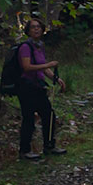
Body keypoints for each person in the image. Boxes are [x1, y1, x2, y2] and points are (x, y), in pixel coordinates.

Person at [14, 16, 64, 160]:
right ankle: (25, 151)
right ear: (28, 31)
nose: (36, 29)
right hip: (26, 87)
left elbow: (41, 67)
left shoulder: (39, 46)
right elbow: (27, 67)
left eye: (38, 27)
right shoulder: (25, 47)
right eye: (33, 27)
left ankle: (49, 146)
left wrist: (56, 79)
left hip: (38, 87)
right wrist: (48, 65)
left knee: (49, 115)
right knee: (29, 119)